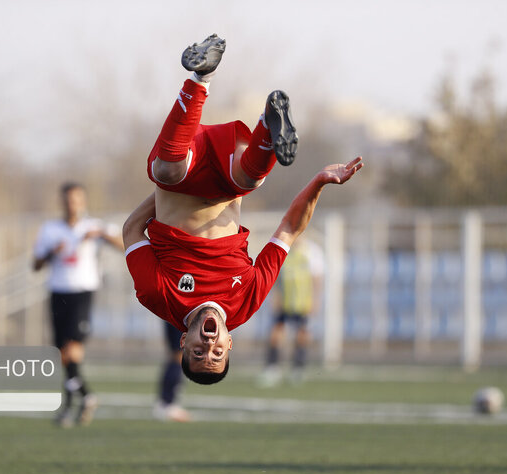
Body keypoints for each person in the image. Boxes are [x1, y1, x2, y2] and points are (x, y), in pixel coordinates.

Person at [123, 34, 363, 385]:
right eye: (217, 352)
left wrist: (161, 195)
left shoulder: (159, 297)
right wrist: (319, 182)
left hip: (181, 169)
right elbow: (288, 232)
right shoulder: (244, 302)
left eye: (198, 352)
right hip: (229, 171)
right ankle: (268, 123)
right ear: (229, 342)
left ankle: (200, 77)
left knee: (165, 170)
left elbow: (131, 231)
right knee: (249, 181)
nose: (209, 345)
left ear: (183, 342)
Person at [33, 182, 124, 426]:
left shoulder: (93, 226)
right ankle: (81, 399)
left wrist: (102, 234)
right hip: (57, 292)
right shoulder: (50, 230)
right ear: (61, 202)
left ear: (82, 201)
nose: (71, 204)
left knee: (72, 351)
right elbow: (36, 265)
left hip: (82, 293)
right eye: (67, 199)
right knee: (64, 356)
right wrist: (52, 252)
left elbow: (123, 244)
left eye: (76, 199)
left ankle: (75, 403)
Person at [258, 237, 324, 387]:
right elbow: (275, 275)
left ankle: (298, 368)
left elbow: (317, 279)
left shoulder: (312, 252)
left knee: (302, 334)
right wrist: (275, 296)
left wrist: (315, 300)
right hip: (285, 300)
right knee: (276, 333)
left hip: (303, 302)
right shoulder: (283, 249)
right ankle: (272, 368)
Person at [153, 323, 191, 422]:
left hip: (177, 315)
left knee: (178, 356)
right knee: (178, 356)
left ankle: (167, 402)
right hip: (180, 316)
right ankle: (167, 402)